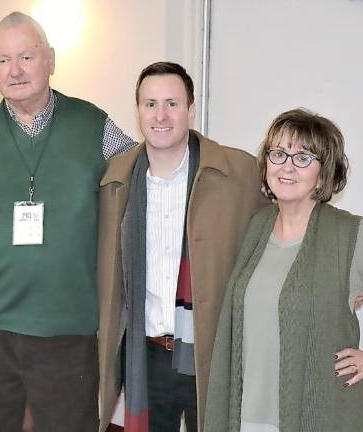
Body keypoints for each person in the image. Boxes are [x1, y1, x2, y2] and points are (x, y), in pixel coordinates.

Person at [0, 11, 134, 432]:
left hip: (67, 328)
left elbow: (147, 174)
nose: (15, 70)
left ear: (51, 60)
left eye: (26, 56)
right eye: (3, 60)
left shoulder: (93, 125)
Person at [204, 108, 363, 432]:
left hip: (313, 416)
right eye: (279, 153)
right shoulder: (257, 227)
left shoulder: (350, 237)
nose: (287, 166)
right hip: (244, 417)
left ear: (324, 172)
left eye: (303, 158)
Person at [97, 62, 268, 432]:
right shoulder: (116, 179)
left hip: (210, 352)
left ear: (191, 109)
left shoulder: (239, 172)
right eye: (150, 104)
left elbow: (285, 224)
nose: (161, 115)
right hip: (145, 356)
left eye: (172, 103)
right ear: (138, 111)